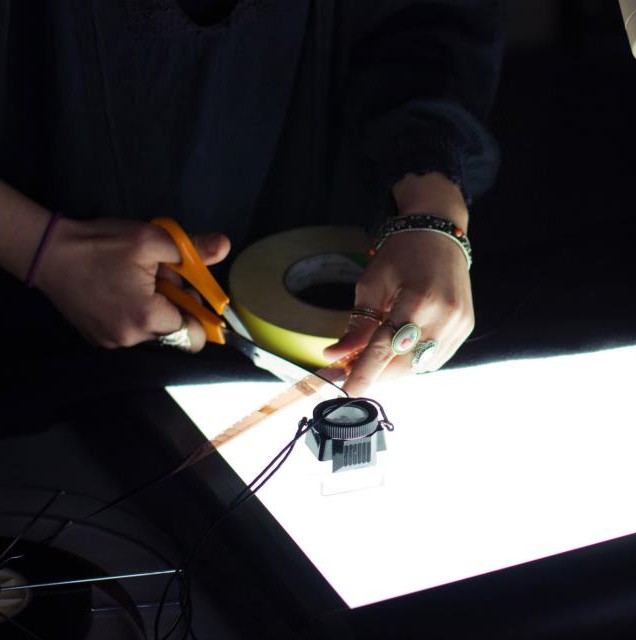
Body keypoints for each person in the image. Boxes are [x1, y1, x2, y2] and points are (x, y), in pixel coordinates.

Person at [0, 0, 507, 397]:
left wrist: (431, 211)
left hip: (322, 224)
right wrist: (41, 249)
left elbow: (426, 24)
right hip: (31, 336)